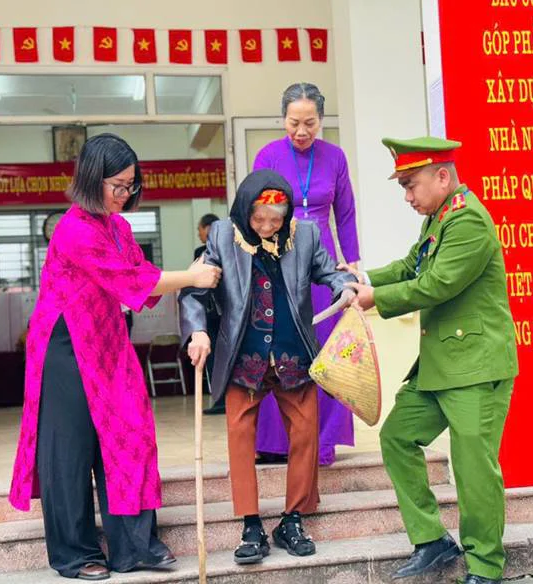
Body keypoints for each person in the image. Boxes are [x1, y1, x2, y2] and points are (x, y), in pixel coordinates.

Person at [8, 134, 221, 581]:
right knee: (71, 448)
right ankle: (75, 553)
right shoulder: (73, 229)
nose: (125, 195)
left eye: (130, 186)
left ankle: (134, 546)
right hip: (65, 343)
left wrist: (181, 277)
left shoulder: (119, 226)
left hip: (108, 340)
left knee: (130, 433)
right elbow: (129, 279)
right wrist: (192, 276)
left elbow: (140, 276)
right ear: (91, 180)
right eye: (117, 186)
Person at [344, 137, 518, 584]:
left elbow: (436, 284)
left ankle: (485, 565)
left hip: (475, 366)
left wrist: (374, 299)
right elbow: (411, 266)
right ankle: (431, 540)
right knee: (398, 438)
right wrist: (363, 277)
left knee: (474, 466)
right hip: (442, 365)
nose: (406, 196)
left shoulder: (468, 221)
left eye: (410, 184)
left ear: (442, 176)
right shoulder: (439, 218)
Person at [180, 170, 356, 565]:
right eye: (259, 219)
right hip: (245, 356)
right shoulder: (224, 236)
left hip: (293, 353)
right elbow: (194, 289)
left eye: (275, 220)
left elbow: (331, 271)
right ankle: (251, 524)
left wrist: (344, 286)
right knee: (241, 440)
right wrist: (196, 332)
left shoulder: (305, 234)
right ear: (245, 211)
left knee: (306, 435)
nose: (266, 227)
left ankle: (292, 519)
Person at [252, 82, 361, 466]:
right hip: (279, 257)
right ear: (283, 119)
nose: (302, 131)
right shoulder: (267, 155)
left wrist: (352, 261)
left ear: (321, 120)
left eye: (310, 123)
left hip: (323, 262)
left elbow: (344, 213)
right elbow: (254, 213)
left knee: (326, 347)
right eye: (294, 122)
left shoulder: (335, 157)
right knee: (279, 347)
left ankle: (323, 440)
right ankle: (276, 442)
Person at [193, 213, 224, 415]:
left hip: (224, 311)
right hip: (211, 313)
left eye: (200, 230)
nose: (199, 234)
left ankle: (224, 400)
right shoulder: (200, 251)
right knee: (213, 357)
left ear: (208, 228)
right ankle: (219, 399)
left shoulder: (225, 249)